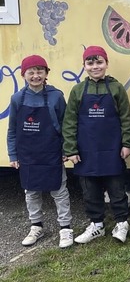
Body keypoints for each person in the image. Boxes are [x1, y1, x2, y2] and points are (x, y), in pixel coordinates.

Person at [62, 46, 130, 244]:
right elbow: (69, 122)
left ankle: (122, 223)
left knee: (117, 190)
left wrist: (127, 143)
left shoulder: (116, 88)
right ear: (84, 66)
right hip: (85, 151)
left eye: (99, 62)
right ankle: (97, 225)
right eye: (90, 63)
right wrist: (71, 149)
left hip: (112, 149)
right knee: (90, 191)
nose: (95, 67)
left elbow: (126, 118)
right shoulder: (78, 91)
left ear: (106, 63)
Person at [7, 55, 73, 248]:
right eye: (31, 72)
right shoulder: (17, 99)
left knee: (59, 191)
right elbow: (12, 130)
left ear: (46, 74)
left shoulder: (56, 96)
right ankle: (36, 226)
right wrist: (13, 155)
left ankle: (65, 228)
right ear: (23, 74)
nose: (35, 76)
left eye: (39, 71)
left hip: (51, 151)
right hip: (27, 153)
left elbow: (65, 125)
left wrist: (65, 149)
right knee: (31, 191)